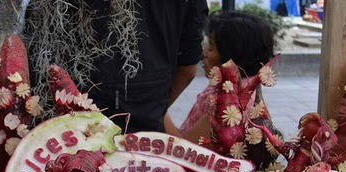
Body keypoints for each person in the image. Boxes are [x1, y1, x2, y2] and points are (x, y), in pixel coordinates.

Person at [21, 0, 209, 133]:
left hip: (67, 124)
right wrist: (154, 106)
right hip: (137, 125)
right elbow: (188, 67)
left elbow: (188, 65)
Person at [164, 10, 277, 152]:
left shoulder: (229, 105)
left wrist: (156, 108)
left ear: (232, 58)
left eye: (211, 48)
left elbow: (185, 151)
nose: (204, 52)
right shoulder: (234, 88)